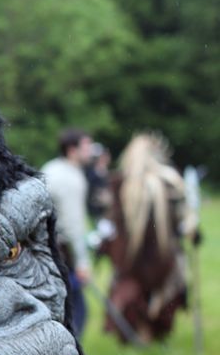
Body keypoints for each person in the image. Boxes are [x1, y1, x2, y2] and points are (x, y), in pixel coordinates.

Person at [100, 133, 190, 343]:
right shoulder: (163, 181)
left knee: (139, 287)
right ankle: (144, 331)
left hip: (134, 253)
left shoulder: (125, 182)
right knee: (153, 287)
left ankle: (145, 331)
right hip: (153, 252)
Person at [41, 128, 93, 335]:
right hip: (60, 253)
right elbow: (73, 225)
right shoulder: (69, 179)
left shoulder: (51, 168)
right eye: (86, 147)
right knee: (77, 312)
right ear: (72, 150)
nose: (90, 151)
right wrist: (82, 263)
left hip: (43, 251)